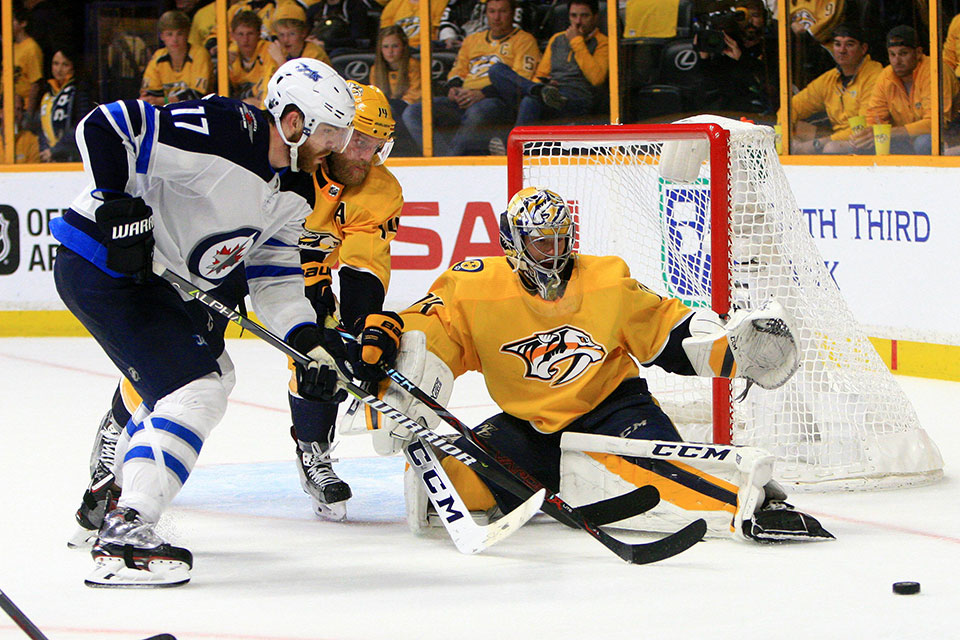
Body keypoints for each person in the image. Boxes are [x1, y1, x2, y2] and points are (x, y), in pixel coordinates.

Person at [51, 58, 361, 588]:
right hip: (103, 264)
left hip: (155, 285)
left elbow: (274, 279)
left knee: (214, 374)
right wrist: (114, 202)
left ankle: (105, 504)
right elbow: (106, 125)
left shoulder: (295, 191)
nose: (337, 144)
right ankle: (127, 534)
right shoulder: (223, 128)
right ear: (293, 121)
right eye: (331, 130)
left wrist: (306, 341)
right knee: (194, 389)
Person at [378, 187, 832, 543]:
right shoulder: (473, 288)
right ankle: (561, 481)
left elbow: (665, 329)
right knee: (440, 480)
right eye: (541, 243)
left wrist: (727, 349)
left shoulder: (605, 279)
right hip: (529, 425)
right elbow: (430, 331)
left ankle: (753, 504)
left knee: (662, 483)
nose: (553, 252)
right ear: (514, 244)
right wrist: (398, 373)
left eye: (560, 239)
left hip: (615, 411)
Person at [289, 80, 404, 520]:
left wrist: (359, 328)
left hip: (295, 273)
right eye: (357, 140)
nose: (363, 155)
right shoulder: (291, 167)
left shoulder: (379, 189)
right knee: (188, 356)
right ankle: (121, 424)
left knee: (322, 350)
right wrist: (312, 284)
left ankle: (313, 448)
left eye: (374, 145)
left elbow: (364, 264)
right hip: (239, 260)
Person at [402, 0, 540, 156]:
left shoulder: (525, 40)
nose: (497, 17)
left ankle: (451, 161)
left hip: (498, 102)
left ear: (513, 13)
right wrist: (453, 89)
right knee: (413, 112)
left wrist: (484, 94)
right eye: (492, 11)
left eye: (502, 11)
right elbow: (457, 71)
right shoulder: (473, 40)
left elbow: (519, 81)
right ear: (486, 13)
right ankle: (442, 159)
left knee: (478, 111)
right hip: (464, 98)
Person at [486, 0, 608, 134]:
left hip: (576, 98)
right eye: (573, 16)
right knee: (496, 70)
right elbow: (541, 74)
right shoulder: (557, 39)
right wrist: (543, 85)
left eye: (584, 16)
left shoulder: (603, 42)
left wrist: (576, 41)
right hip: (550, 91)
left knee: (530, 101)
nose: (578, 21)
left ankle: (513, 147)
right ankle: (537, 90)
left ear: (595, 17)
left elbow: (597, 78)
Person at [857, 25, 959, 155]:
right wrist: (866, 135)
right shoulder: (886, 76)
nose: (897, 61)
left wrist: (886, 132)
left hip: (949, 139)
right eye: (892, 54)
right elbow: (874, 117)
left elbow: (935, 124)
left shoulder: (935, 70)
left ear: (918, 53)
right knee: (868, 143)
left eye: (903, 53)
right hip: (906, 138)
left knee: (925, 142)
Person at [790, 23, 882, 154]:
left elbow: (864, 128)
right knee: (795, 129)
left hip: (865, 141)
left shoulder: (874, 74)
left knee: (831, 148)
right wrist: (787, 136)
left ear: (863, 49)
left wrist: (817, 144)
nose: (842, 50)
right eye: (838, 44)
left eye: (849, 44)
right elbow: (791, 107)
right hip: (836, 136)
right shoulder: (831, 78)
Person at [140, 10, 213, 105]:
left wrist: (164, 101)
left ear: (187, 34)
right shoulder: (158, 57)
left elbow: (197, 95)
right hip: (168, 113)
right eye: (169, 34)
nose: (174, 40)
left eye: (179, 34)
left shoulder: (199, 54)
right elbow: (150, 93)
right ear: (162, 36)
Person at [369, 25, 421, 155]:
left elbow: (416, 94)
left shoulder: (413, 65)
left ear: (403, 46)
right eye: (385, 47)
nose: (390, 51)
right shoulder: (376, 69)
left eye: (395, 46)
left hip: (408, 108)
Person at [38, 47, 92, 163]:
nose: (59, 69)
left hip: (73, 158)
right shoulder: (47, 93)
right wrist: (45, 151)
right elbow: (42, 128)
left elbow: (82, 125)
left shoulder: (80, 90)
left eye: (65, 65)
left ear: (73, 67)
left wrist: (55, 151)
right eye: (55, 64)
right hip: (49, 159)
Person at [228, 10, 277, 107]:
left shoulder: (269, 51)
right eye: (240, 34)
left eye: (250, 34)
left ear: (259, 33)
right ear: (233, 35)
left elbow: (266, 92)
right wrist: (227, 66)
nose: (245, 39)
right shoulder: (230, 55)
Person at [268, 1, 333, 68]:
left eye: (292, 34)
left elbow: (298, 78)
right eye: (281, 34)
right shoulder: (281, 52)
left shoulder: (315, 55)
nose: (286, 40)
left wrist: (280, 61)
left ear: (303, 33)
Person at [436, 0, 523, 50]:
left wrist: (477, 45)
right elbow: (447, 22)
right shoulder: (459, 2)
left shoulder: (512, 3)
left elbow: (511, 34)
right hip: (460, 49)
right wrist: (449, 38)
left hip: (495, 52)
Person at [11, 5, 44, 128]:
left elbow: (35, 83)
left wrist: (29, 115)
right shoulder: (12, 47)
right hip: (8, 108)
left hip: (23, 110)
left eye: (12, 20)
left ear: (23, 23)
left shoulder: (31, 48)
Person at [306, 0, 376, 54]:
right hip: (317, 47)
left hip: (344, 50)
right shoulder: (314, 9)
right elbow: (307, 34)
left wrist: (326, 44)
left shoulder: (355, 6)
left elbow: (357, 39)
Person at [378, 0, 450, 50]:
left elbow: (439, 31)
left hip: (426, 50)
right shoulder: (394, 4)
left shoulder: (439, 2)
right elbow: (386, 35)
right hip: (399, 50)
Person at [0, 94, 40, 164]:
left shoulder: (31, 140)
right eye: (11, 108)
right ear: (0, 112)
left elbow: (33, 172)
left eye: (19, 109)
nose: (15, 114)